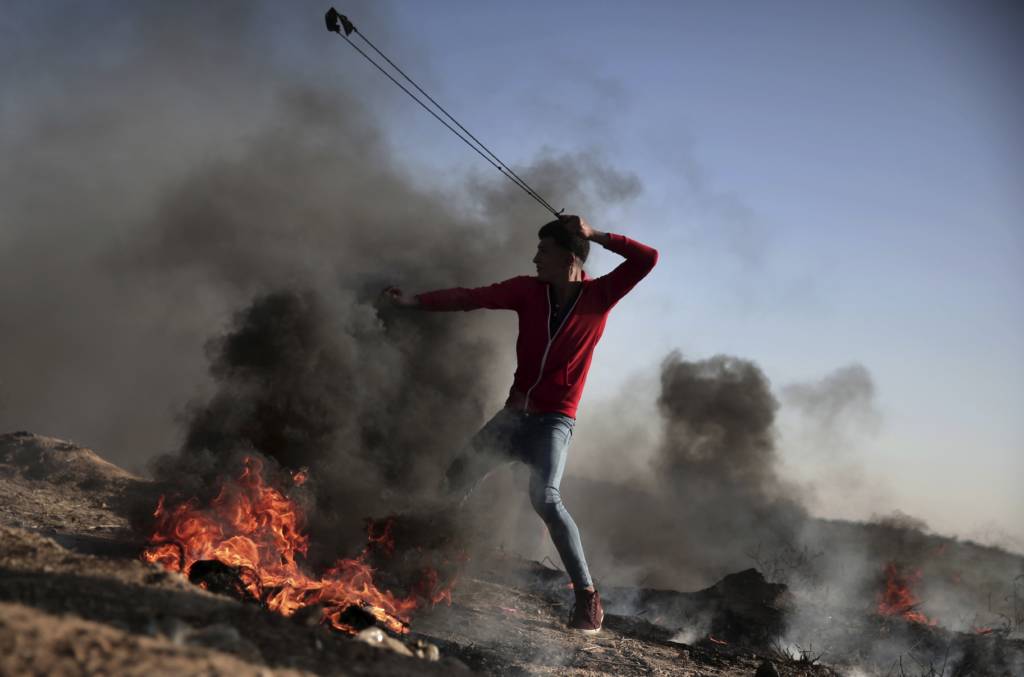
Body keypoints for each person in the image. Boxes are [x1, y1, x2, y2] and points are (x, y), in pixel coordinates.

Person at [383, 215, 658, 633]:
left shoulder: (600, 295)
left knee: (545, 498)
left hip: (554, 422)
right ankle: (428, 570)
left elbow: (647, 258)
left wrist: (595, 234)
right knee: (455, 479)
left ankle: (587, 598)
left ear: (569, 258)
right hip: (513, 418)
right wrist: (415, 302)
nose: (534, 259)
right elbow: (469, 297)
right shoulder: (528, 292)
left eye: (542, 252)